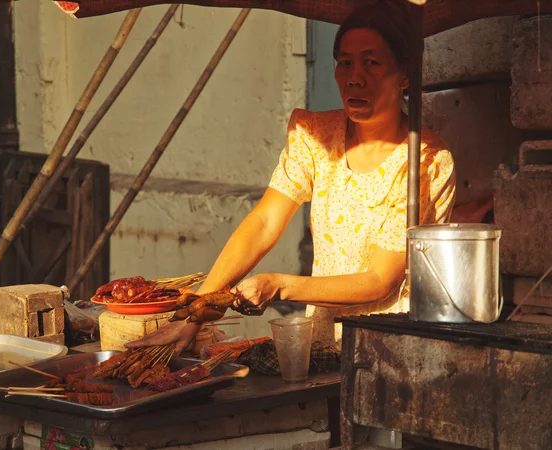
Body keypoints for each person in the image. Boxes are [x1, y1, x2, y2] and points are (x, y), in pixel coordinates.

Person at [127, 0, 456, 354]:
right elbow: (266, 221)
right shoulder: (316, 135)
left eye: (372, 63)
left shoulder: (425, 161)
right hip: (324, 339)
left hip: (393, 347)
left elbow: (380, 280)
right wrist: (196, 311)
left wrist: (280, 285)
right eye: (344, 62)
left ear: (404, 74)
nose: (354, 77)